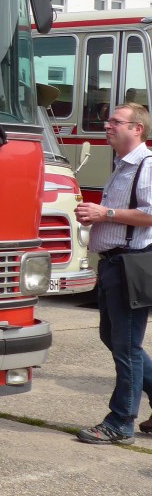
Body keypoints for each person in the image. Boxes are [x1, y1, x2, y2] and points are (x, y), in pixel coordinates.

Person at [73, 102, 152, 444]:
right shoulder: (121, 165)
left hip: (131, 264)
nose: (107, 126)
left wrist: (103, 212)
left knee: (127, 346)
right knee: (115, 339)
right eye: (108, 120)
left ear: (137, 129)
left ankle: (120, 422)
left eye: (116, 122)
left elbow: (151, 215)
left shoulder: (146, 167)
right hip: (113, 263)